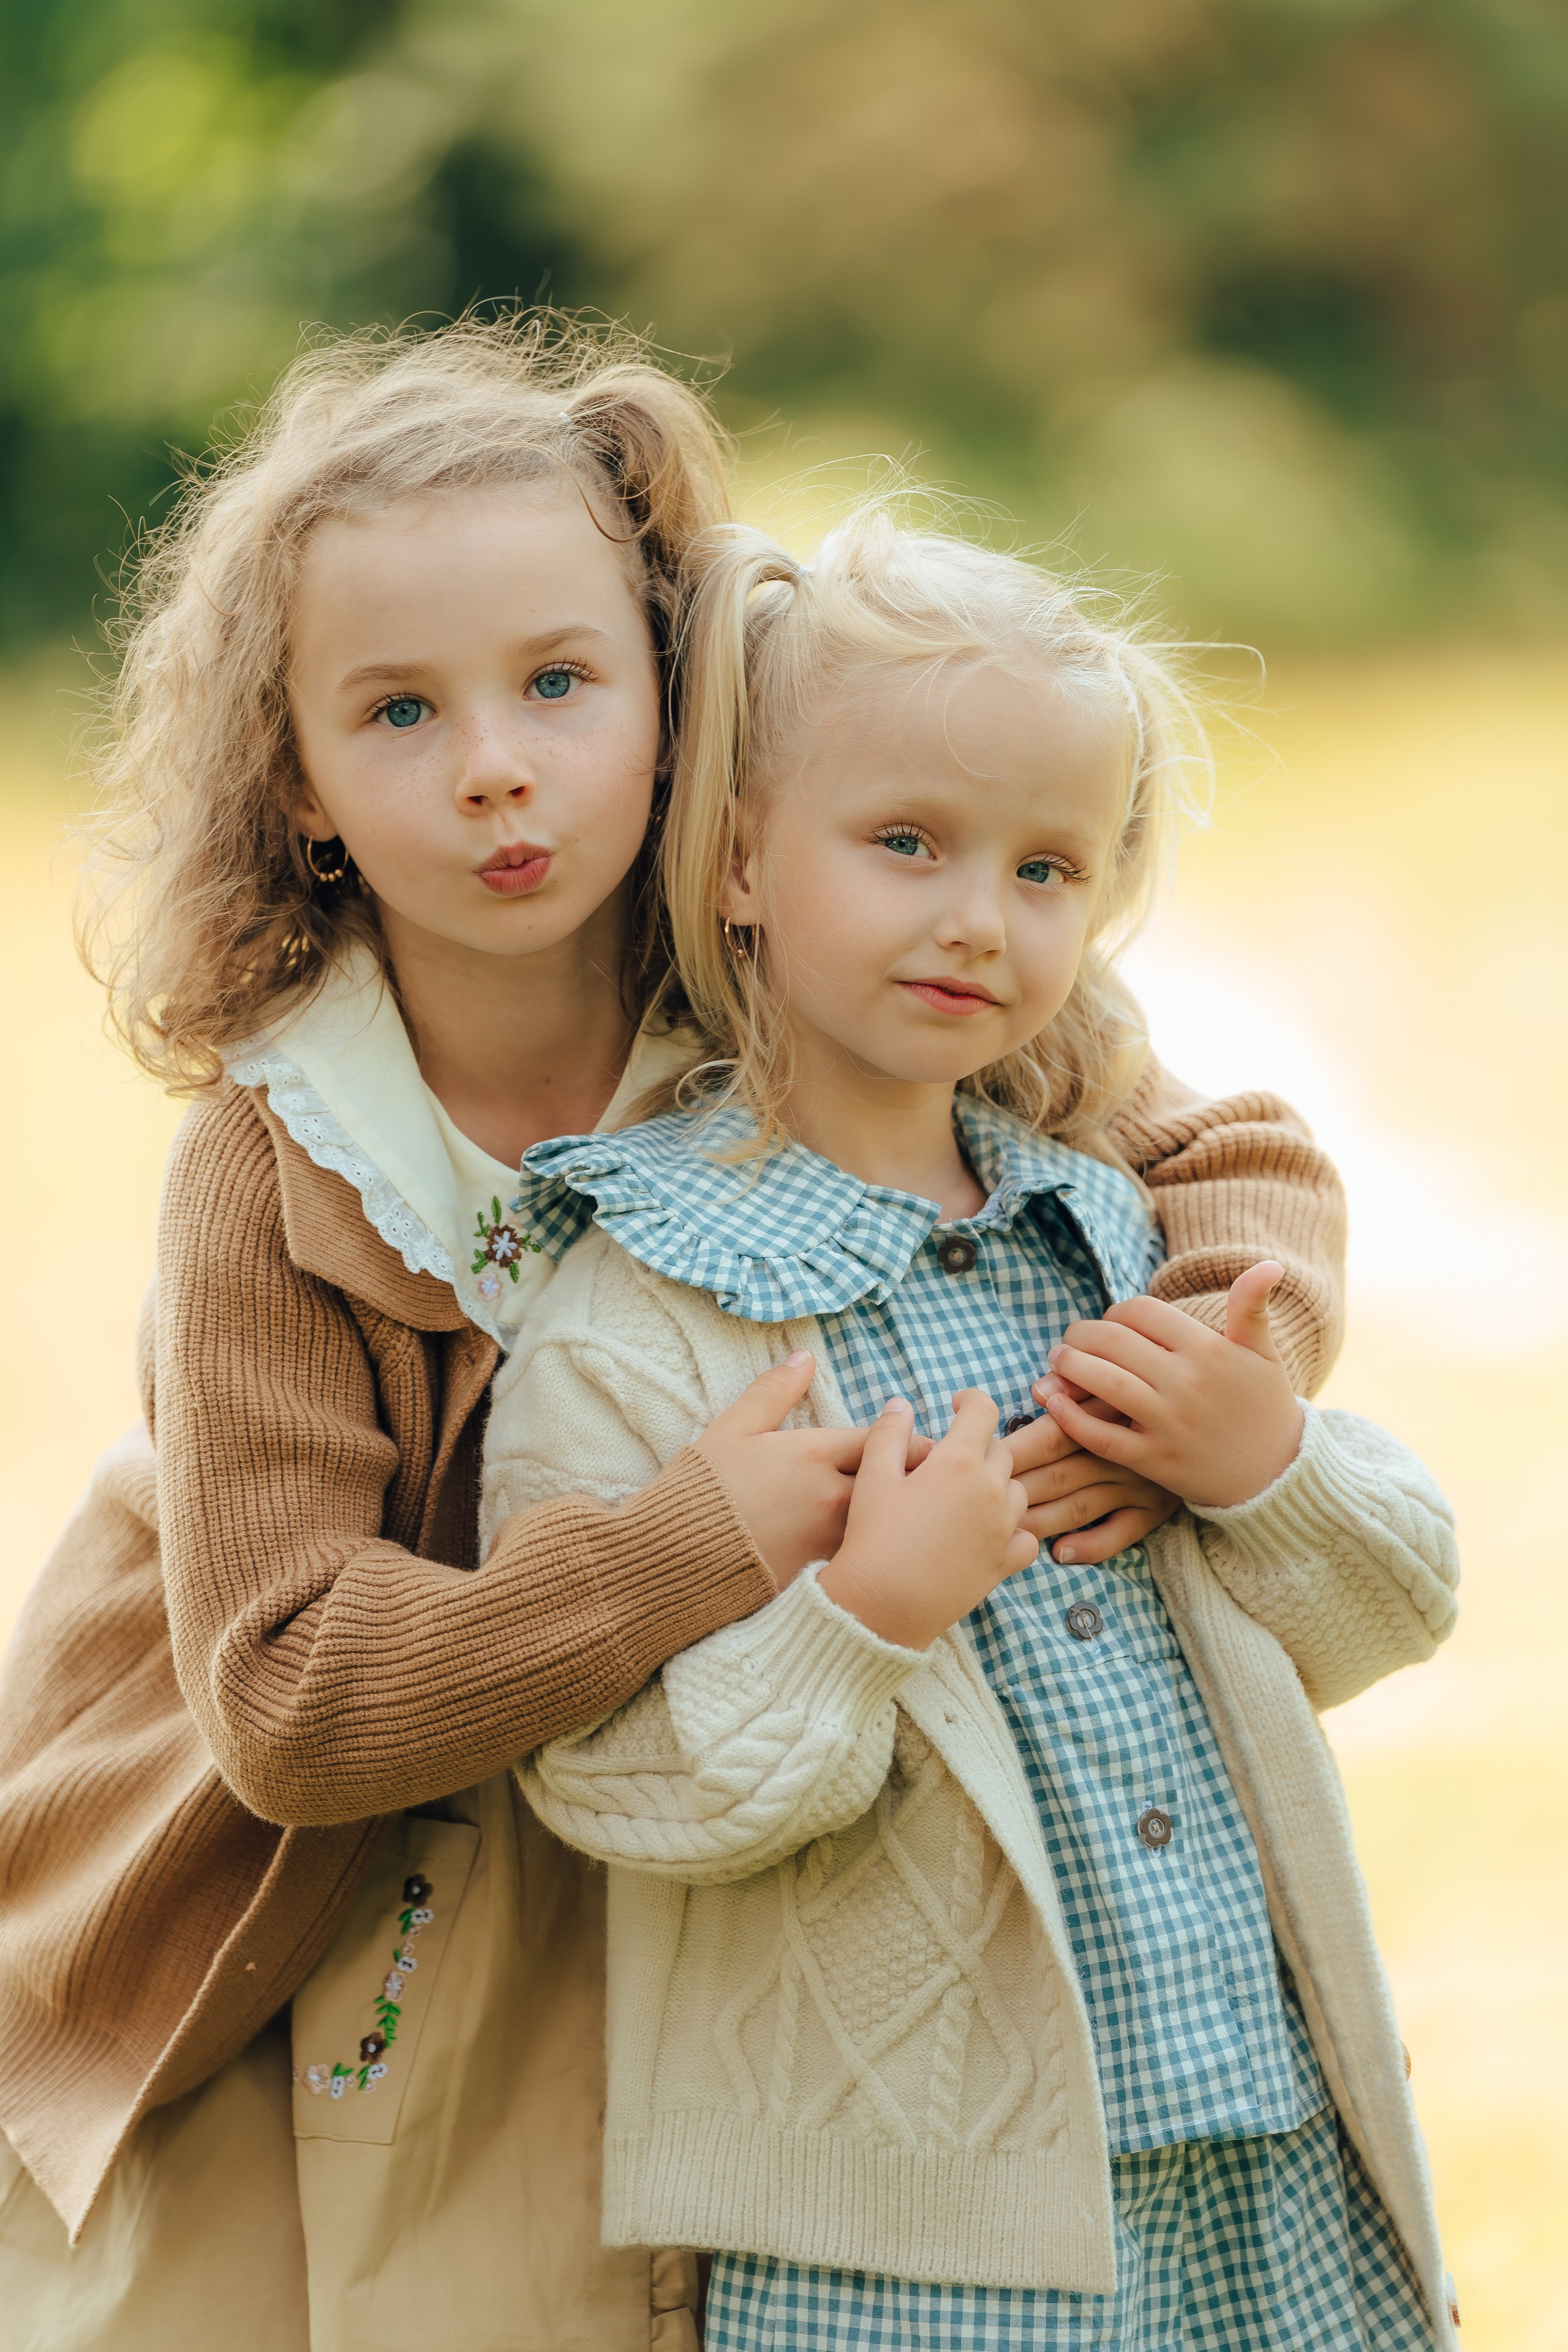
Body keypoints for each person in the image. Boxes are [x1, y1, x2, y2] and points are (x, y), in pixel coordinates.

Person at [0, 320, 1347, 2352]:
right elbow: (292, 1700)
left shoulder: (791, 962)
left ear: (678, 704)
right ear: (299, 787)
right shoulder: (286, 1159)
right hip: (342, 1797)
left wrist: (1172, 1375)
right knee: (313, 2270)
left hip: (722, 1740)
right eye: (398, 712)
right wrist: (695, 1540)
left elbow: (1222, 1151)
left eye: (561, 681)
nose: (496, 766)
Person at [486, 513, 1461, 2349]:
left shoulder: (1105, 1231)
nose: (977, 917)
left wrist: (1264, 1463)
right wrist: (863, 1618)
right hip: (916, 2243)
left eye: (1044, 869)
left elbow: (1390, 1612)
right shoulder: (639, 1309)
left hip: (1266, 2139)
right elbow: (607, 1786)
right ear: (745, 857)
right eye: (909, 843)